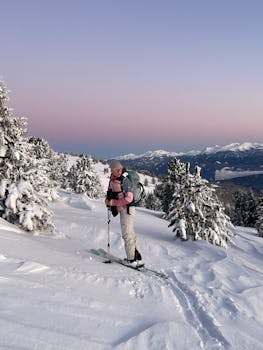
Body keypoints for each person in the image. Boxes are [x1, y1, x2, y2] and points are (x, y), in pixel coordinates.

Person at [105, 160, 143, 267]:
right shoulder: (112, 180)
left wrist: (113, 202)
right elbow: (110, 192)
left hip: (128, 209)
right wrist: (108, 201)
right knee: (130, 233)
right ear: (112, 170)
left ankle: (131, 259)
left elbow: (129, 198)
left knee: (127, 234)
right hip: (123, 209)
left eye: (120, 169)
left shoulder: (124, 180)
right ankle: (137, 258)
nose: (119, 171)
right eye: (117, 169)